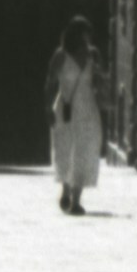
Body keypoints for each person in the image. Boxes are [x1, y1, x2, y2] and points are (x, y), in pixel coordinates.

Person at [46, 15, 106, 213]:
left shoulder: (93, 55)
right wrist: (48, 108)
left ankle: (76, 200)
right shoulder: (61, 55)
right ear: (78, 34)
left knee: (85, 149)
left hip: (87, 108)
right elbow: (51, 82)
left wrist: (100, 77)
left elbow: (98, 83)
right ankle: (65, 189)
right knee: (65, 148)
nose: (89, 38)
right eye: (86, 33)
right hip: (66, 106)